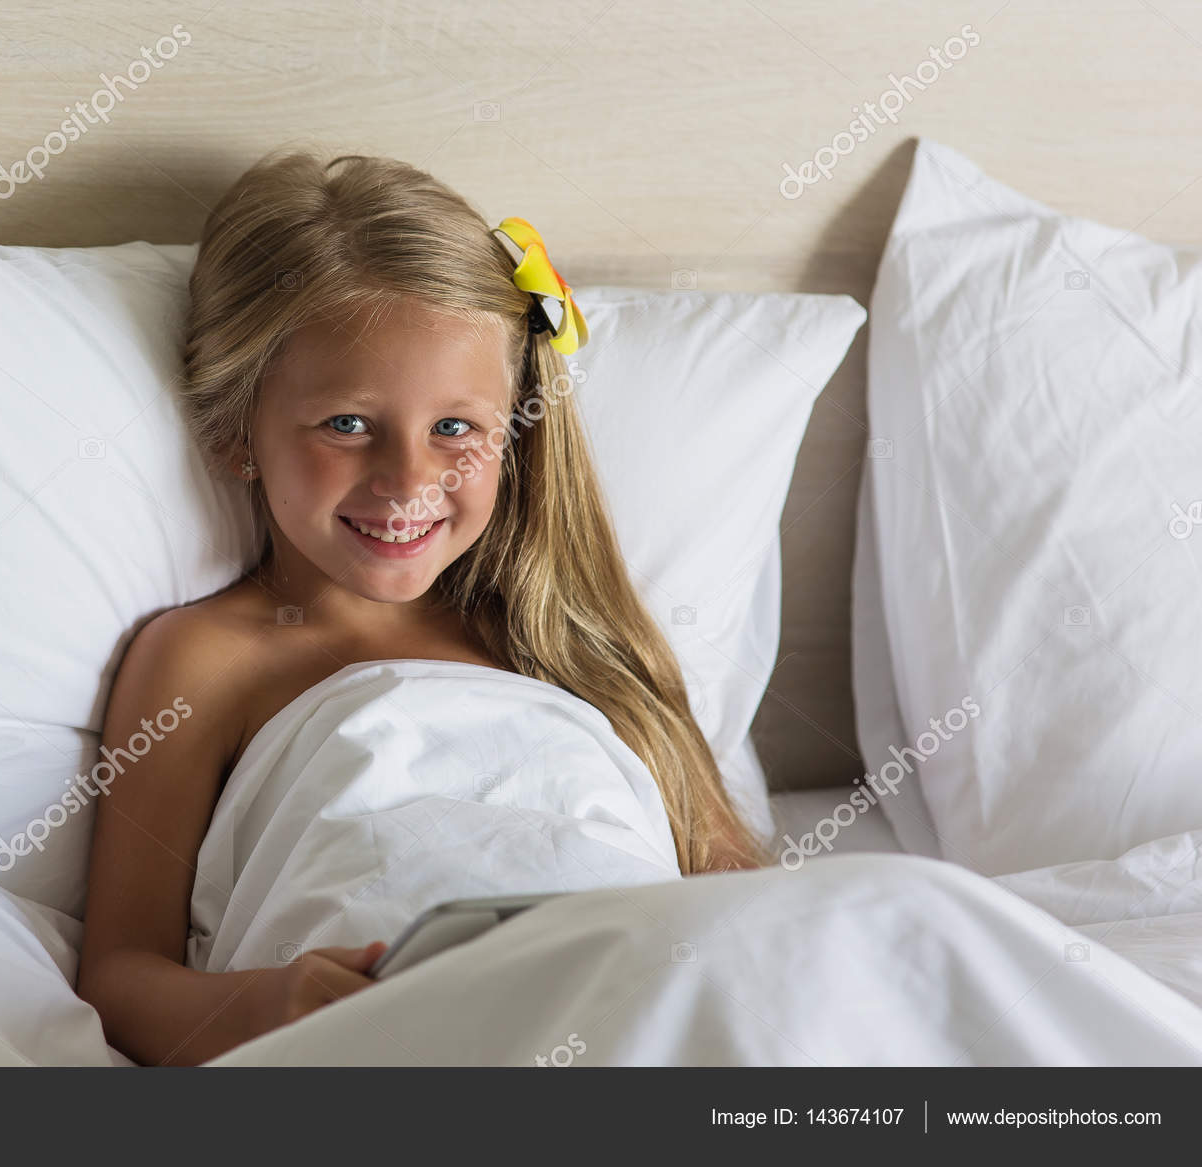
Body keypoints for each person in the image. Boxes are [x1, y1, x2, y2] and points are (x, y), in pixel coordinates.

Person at [75, 149, 771, 1066]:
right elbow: (121, 972)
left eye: (455, 428)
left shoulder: (577, 642)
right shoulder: (204, 657)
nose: (408, 480)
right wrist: (268, 1004)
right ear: (234, 431)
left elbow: (742, 907)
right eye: (348, 424)